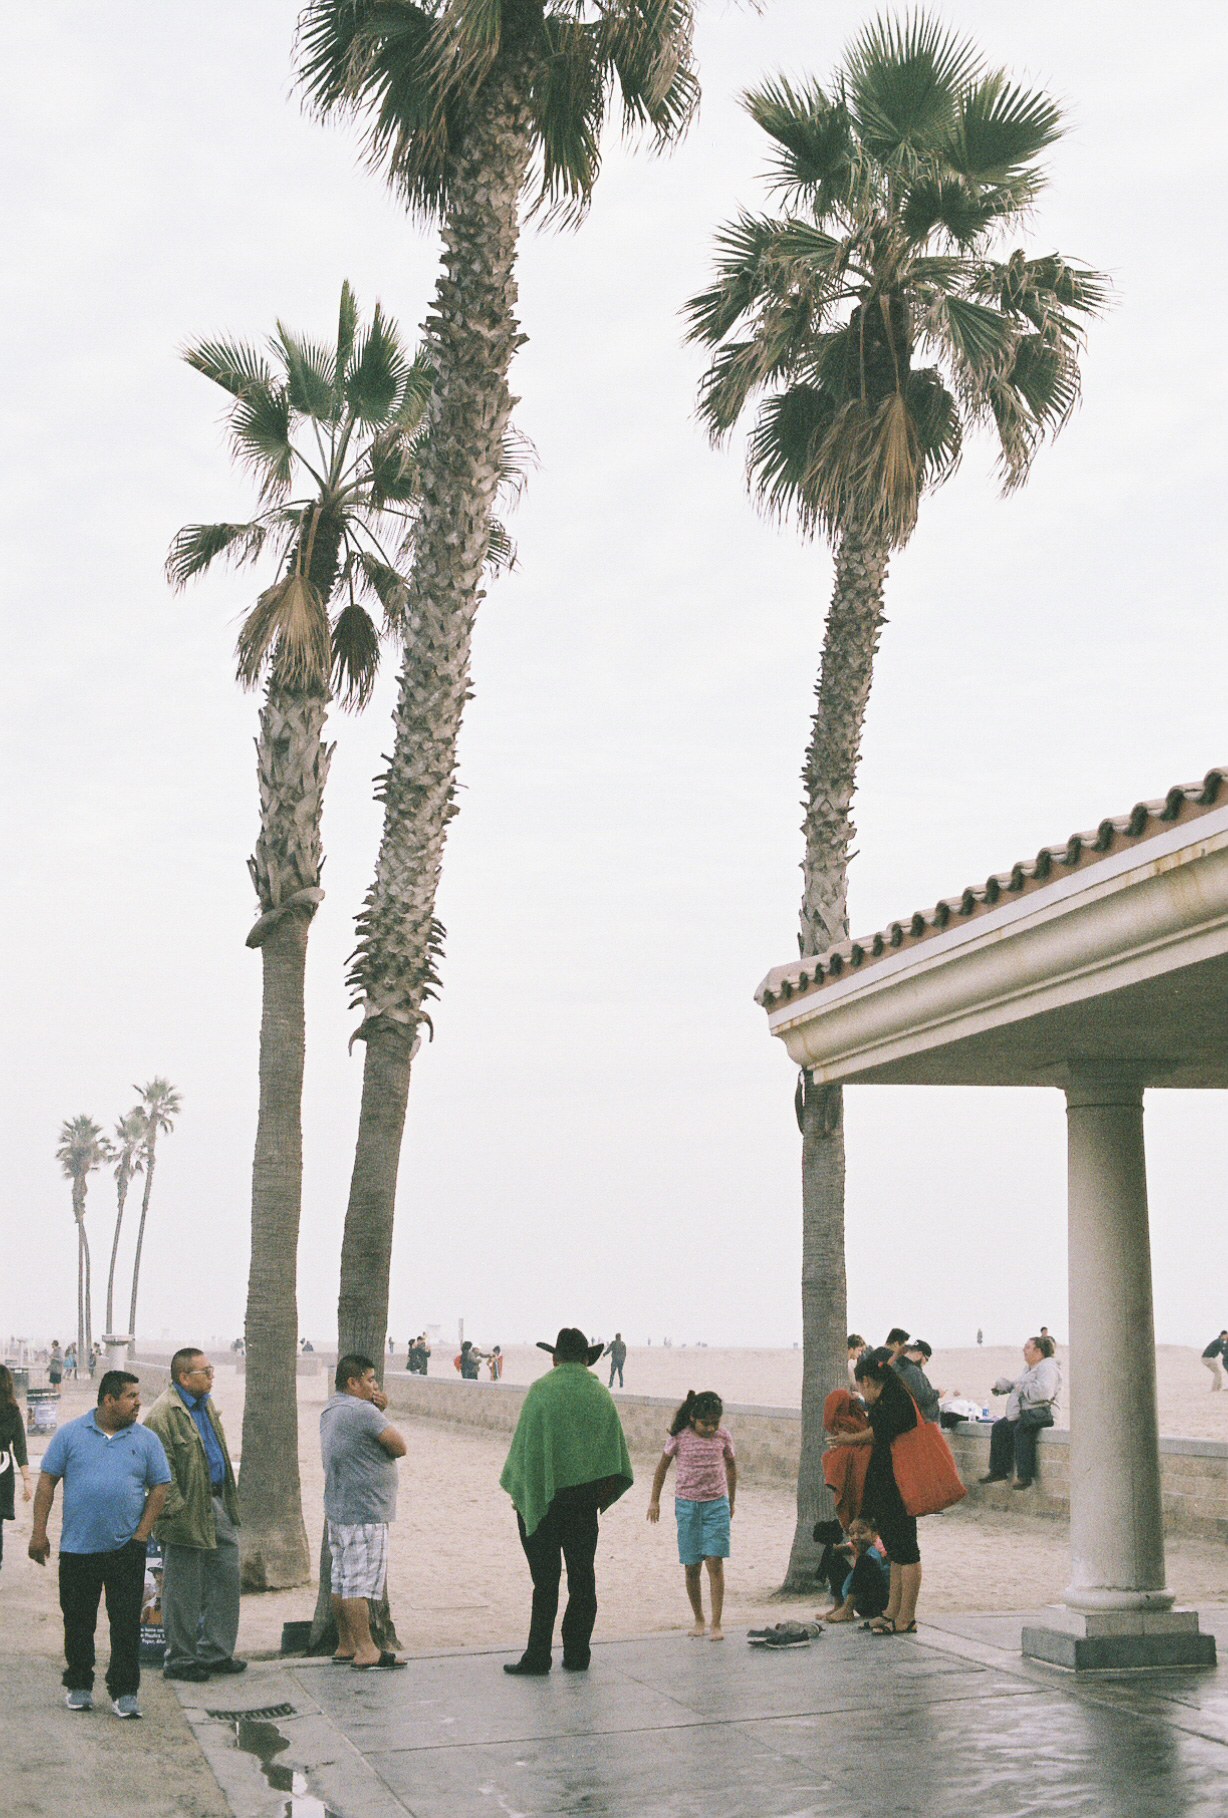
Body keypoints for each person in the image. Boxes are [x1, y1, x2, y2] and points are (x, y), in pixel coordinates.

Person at [29, 1369, 171, 1716]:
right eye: (131, 1396)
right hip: (77, 1548)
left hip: (126, 1549)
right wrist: (38, 1532)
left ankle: (125, 1692)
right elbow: (47, 1481)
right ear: (109, 1400)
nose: (139, 1403)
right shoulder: (70, 1434)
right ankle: (79, 1685)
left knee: (125, 1625)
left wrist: (141, 1534)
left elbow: (161, 1487)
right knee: (78, 1622)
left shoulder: (146, 1439)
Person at [499, 1327, 633, 1676]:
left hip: (544, 1502)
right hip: (583, 1504)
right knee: (582, 1577)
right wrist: (594, 1498)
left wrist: (525, 1493)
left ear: (555, 1358)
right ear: (587, 1359)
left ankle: (538, 1656)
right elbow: (614, 1456)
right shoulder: (599, 1392)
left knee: (545, 1582)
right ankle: (577, 1653)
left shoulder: (541, 1391)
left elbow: (526, 1450)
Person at [144, 1348, 244, 1682]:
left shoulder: (206, 1406)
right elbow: (159, 1471)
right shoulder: (163, 1413)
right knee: (182, 1588)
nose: (213, 1375)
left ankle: (215, 1652)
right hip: (186, 1512)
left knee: (225, 1577)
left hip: (216, 1504)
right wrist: (177, 1511)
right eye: (206, 1370)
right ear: (185, 1377)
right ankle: (181, 1660)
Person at [320, 1354, 408, 1669]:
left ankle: (346, 1644)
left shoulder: (332, 1409)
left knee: (341, 1580)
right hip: (365, 1512)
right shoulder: (361, 1411)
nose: (375, 1385)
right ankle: (367, 1649)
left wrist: (375, 1410)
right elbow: (399, 1446)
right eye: (370, 1379)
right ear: (352, 1382)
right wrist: (376, 1411)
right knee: (357, 1583)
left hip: (340, 1509)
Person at [826, 1348, 922, 1636]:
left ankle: (906, 1617)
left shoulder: (895, 1399)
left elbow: (879, 1432)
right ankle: (891, 1612)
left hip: (901, 1485)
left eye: (860, 1387)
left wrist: (848, 1439)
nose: (861, 1394)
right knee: (895, 1552)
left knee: (907, 1553)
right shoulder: (890, 1396)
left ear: (867, 1380)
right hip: (889, 1485)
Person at [647, 1390, 737, 1642]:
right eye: (705, 1423)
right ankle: (699, 1619)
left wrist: (732, 1500)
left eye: (715, 1423)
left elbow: (731, 1467)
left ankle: (716, 1623)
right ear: (693, 1418)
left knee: (715, 1562)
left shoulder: (723, 1436)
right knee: (692, 1566)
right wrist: (654, 1501)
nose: (710, 1428)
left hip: (716, 1505)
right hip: (687, 1507)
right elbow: (661, 1468)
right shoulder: (680, 1437)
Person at [979, 1335, 1061, 1489]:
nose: (1024, 1350)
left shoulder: (1047, 1367)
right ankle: (999, 1470)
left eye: (1028, 1347)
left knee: (1022, 1431)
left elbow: (1044, 1392)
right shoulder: (1030, 1368)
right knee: (1000, 1427)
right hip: (1029, 1413)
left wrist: (1021, 1388)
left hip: (1044, 1413)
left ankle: (1025, 1477)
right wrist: (1004, 1386)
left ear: (1039, 1352)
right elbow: (1017, 1386)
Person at [819, 1517, 890, 1624]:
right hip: (862, 1602)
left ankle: (847, 1608)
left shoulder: (882, 1548)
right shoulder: (858, 1545)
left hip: (879, 1603)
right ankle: (839, 1606)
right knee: (833, 1558)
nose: (856, 1537)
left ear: (875, 1533)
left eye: (861, 1532)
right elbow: (839, 1549)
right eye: (852, 1533)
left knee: (865, 1560)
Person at [0, 1364, 32, 1570]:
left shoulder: (13, 1410)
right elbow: (20, 1446)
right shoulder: (12, 1410)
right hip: (3, 1468)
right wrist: (27, 1480)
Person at [893, 1340, 941, 1424]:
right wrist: (938, 1393)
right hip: (922, 1424)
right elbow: (923, 1396)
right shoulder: (911, 1371)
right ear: (919, 1354)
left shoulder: (897, 1366)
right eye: (926, 1359)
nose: (925, 1363)